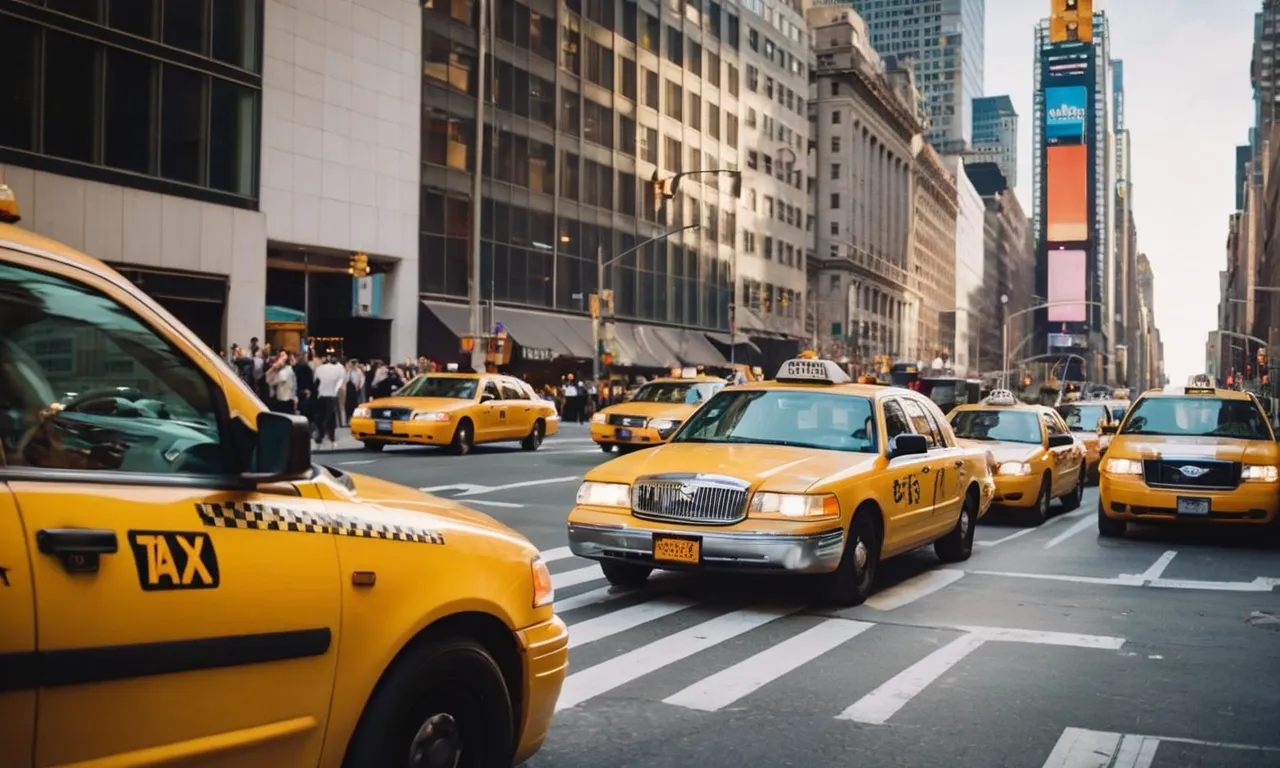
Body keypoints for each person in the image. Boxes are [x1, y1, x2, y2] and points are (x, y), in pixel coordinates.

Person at [313, 355, 346, 448]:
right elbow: (340, 382)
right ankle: (332, 438)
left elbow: (316, 382)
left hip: (321, 396)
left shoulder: (319, 369)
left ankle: (320, 437)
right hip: (332, 396)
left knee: (320, 418)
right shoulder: (340, 369)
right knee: (331, 418)